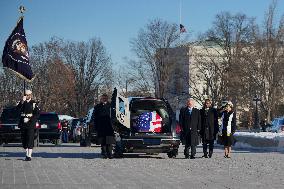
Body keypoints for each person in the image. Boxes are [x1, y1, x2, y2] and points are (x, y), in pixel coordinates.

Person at [16, 90, 40, 161]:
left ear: (30, 95)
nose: (27, 96)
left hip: (30, 124)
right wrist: (22, 102)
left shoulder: (33, 103)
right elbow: (17, 109)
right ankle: (26, 154)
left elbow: (37, 114)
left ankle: (29, 155)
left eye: (28, 95)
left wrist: (30, 119)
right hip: (23, 123)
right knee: (24, 139)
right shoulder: (22, 103)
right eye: (25, 95)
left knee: (30, 139)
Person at [93, 94, 115, 159]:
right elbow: (95, 117)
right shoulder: (97, 107)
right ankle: (104, 153)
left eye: (105, 98)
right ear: (101, 99)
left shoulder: (111, 106)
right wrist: (96, 127)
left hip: (109, 126)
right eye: (103, 98)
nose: (104, 99)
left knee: (109, 141)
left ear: (107, 99)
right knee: (103, 142)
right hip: (101, 126)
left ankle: (110, 154)